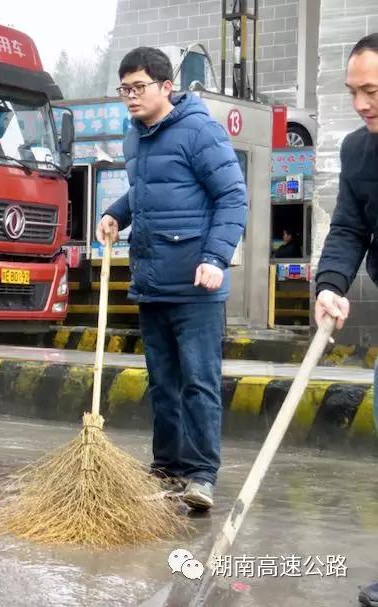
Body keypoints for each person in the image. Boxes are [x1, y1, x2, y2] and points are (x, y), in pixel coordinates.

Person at [95, 47, 247, 511]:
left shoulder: (199, 130)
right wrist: (115, 214)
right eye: (124, 89)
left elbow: (233, 197)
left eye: (138, 87)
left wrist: (216, 258)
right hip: (152, 280)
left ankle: (202, 475)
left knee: (199, 382)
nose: (130, 97)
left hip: (197, 285)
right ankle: (168, 468)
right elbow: (145, 191)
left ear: (166, 86)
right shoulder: (133, 138)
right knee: (162, 383)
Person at [308, 34, 378, 607]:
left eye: (371, 91)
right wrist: (330, 285)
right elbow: (350, 228)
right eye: (353, 92)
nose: (360, 104)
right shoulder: (358, 152)